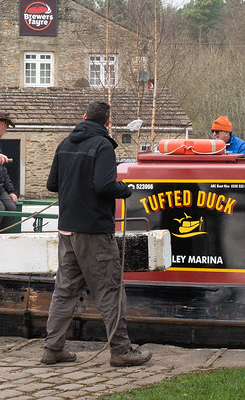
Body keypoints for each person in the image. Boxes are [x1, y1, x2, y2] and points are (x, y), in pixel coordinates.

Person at [42, 100, 152, 367]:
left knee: (64, 291)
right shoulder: (103, 145)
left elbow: (51, 184)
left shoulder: (65, 143)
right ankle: (121, 351)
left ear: (83, 116)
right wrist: (124, 189)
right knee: (110, 290)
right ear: (107, 123)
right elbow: (104, 185)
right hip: (93, 232)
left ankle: (53, 348)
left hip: (67, 230)